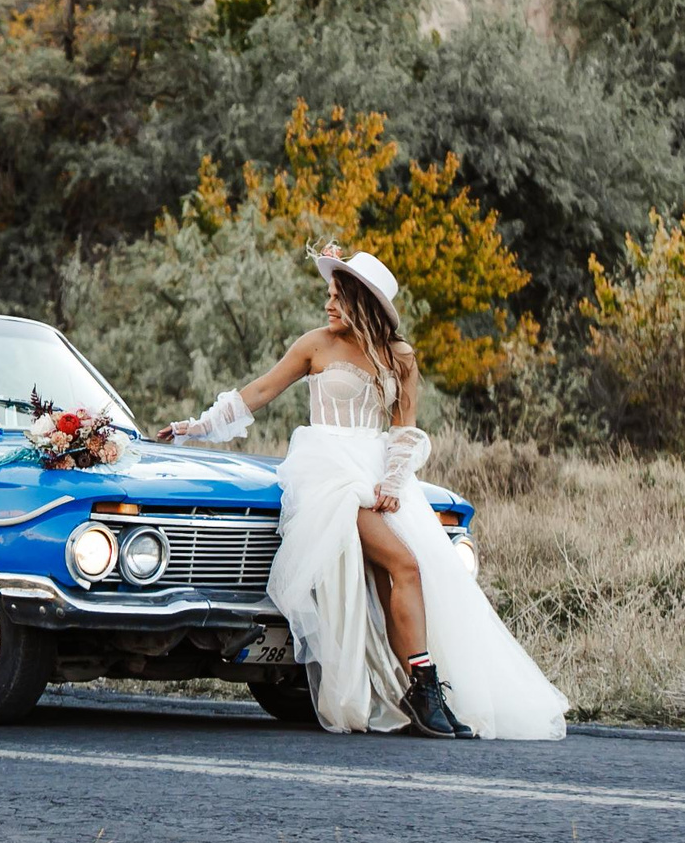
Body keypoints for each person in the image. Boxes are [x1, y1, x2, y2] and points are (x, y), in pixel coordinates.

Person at [162, 244, 567, 740]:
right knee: (406, 565)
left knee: (399, 577)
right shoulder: (315, 344)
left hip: (376, 471)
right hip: (328, 471)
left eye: (337, 297)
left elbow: (404, 429)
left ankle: (414, 686)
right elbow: (261, 391)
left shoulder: (400, 358)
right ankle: (424, 688)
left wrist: (395, 480)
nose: (328, 305)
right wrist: (195, 427)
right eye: (328, 295)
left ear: (364, 302)